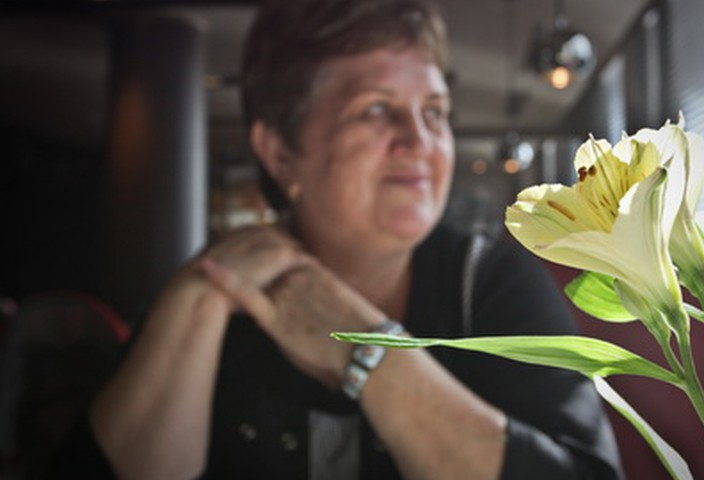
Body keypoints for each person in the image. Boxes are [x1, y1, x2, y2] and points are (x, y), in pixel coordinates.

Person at [51, 0, 623, 478]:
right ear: (279, 152)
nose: (419, 140)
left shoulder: (490, 281)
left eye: (434, 112)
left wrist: (365, 349)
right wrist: (196, 298)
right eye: (376, 110)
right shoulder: (221, 285)